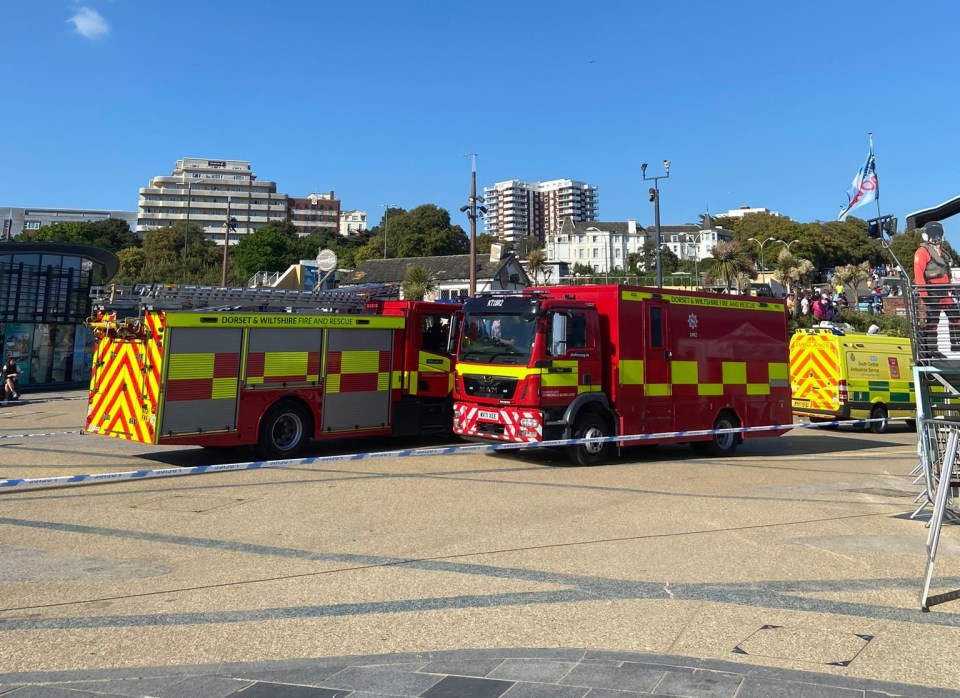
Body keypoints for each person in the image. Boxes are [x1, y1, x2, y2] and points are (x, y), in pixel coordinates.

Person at [913, 221, 960, 357]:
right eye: (933, 234)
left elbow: (946, 272)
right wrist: (924, 293)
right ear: (926, 236)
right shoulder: (922, 252)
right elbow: (919, 273)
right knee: (933, 321)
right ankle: (932, 350)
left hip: (944, 290)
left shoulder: (942, 252)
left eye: (938, 234)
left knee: (956, 316)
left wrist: (950, 287)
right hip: (932, 291)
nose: (936, 237)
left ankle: (955, 344)